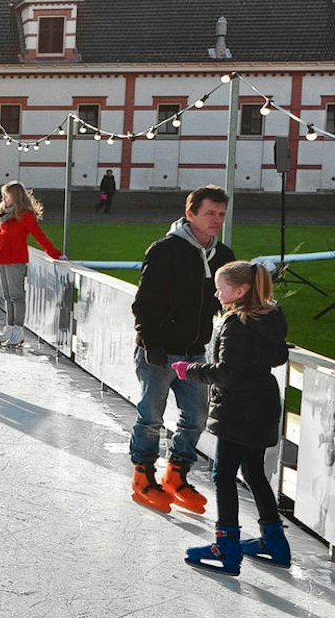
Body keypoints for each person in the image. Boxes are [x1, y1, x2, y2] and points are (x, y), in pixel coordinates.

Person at [175, 261, 291, 573]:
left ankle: (226, 547)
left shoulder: (237, 324)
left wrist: (189, 371)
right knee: (253, 472)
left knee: (223, 475)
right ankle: (275, 541)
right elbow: (279, 355)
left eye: (220, 288)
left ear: (239, 291)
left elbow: (227, 373)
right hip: (263, 404)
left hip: (239, 409)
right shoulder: (270, 317)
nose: (216, 293)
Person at [128, 185, 234, 516]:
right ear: (190, 214)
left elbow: (231, 300)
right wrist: (151, 343)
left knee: (196, 417)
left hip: (195, 353)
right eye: (209, 213)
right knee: (151, 417)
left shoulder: (223, 256)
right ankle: (143, 477)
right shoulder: (164, 250)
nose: (216, 219)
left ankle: (176, 475)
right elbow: (144, 303)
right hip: (159, 351)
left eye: (221, 213)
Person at [0, 182, 62, 350]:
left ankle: (18, 330)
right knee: (7, 296)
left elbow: (39, 236)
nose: (4, 198)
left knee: (16, 296)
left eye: (6, 195)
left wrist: (54, 253)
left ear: (15, 196)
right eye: (3, 195)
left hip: (15, 259)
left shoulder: (25, 216)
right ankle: (9, 328)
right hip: (2, 258)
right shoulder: (4, 214)